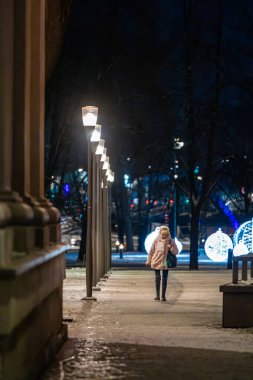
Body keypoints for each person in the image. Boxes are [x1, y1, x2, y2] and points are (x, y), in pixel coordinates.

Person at [145, 226, 178, 301]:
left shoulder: (171, 241)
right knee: (157, 278)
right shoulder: (156, 240)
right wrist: (148, 261)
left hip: (166, 262)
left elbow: (176, 252)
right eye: (162, 234)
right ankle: (157, 295)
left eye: (165, 234)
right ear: (160, 233)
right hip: (156, 261)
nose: (164, 236)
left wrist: (171, 248)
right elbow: (151, 251)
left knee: (164, 279)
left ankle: (163, 296)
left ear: (168, 234)